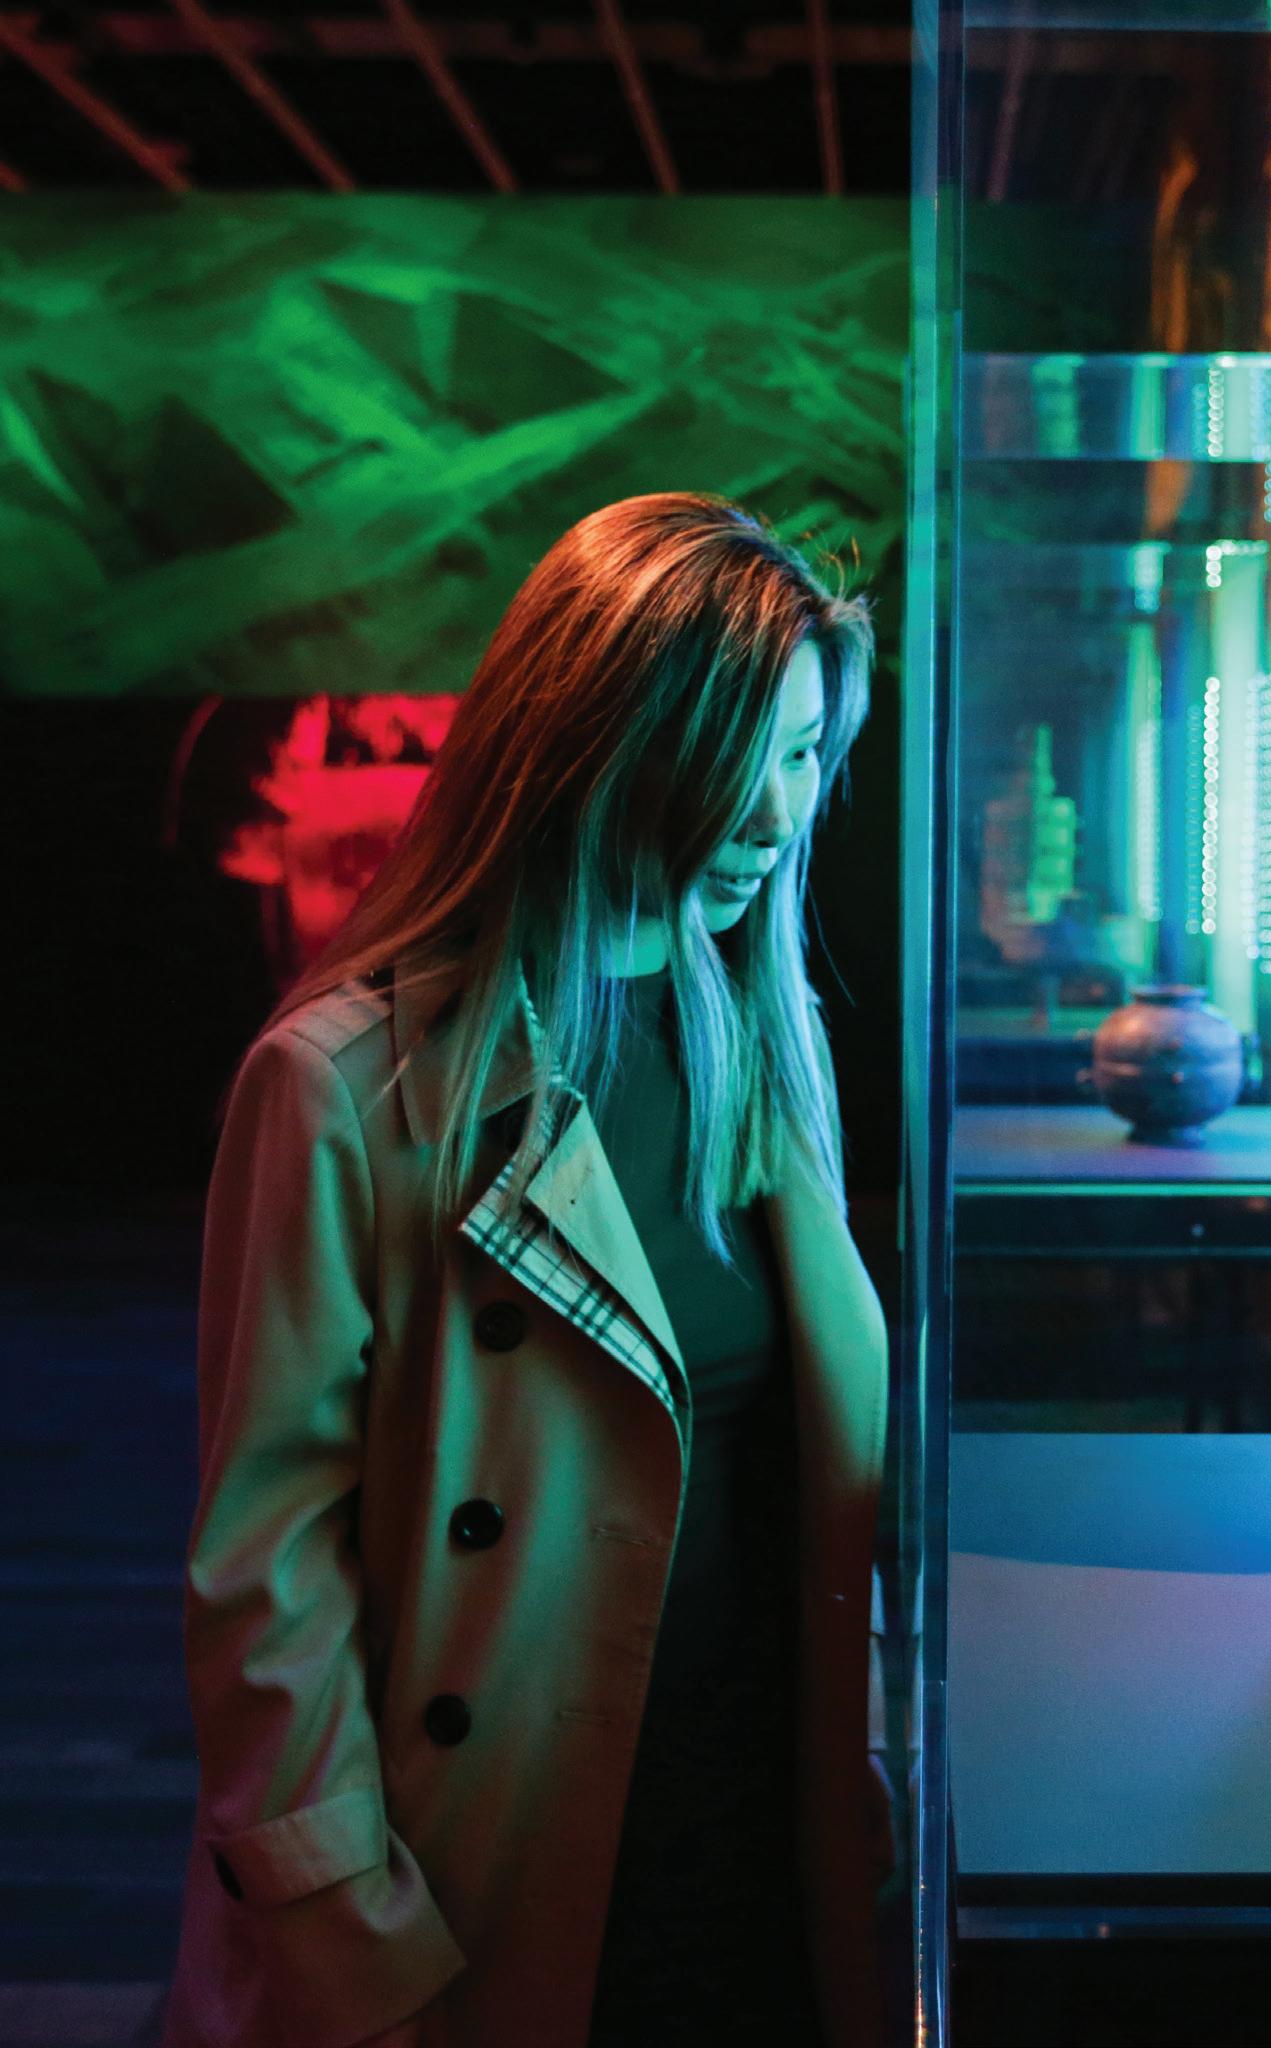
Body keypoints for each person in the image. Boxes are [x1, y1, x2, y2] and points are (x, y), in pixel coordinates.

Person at [157, 493, 892, 2048]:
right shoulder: (342, 1087)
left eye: (806, 754)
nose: (780, 814)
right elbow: (266, 1580)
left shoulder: (770, 1048)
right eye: (742, 753)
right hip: (481, 1871)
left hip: (761, 1828)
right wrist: (351, 1941)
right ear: (595, 739)